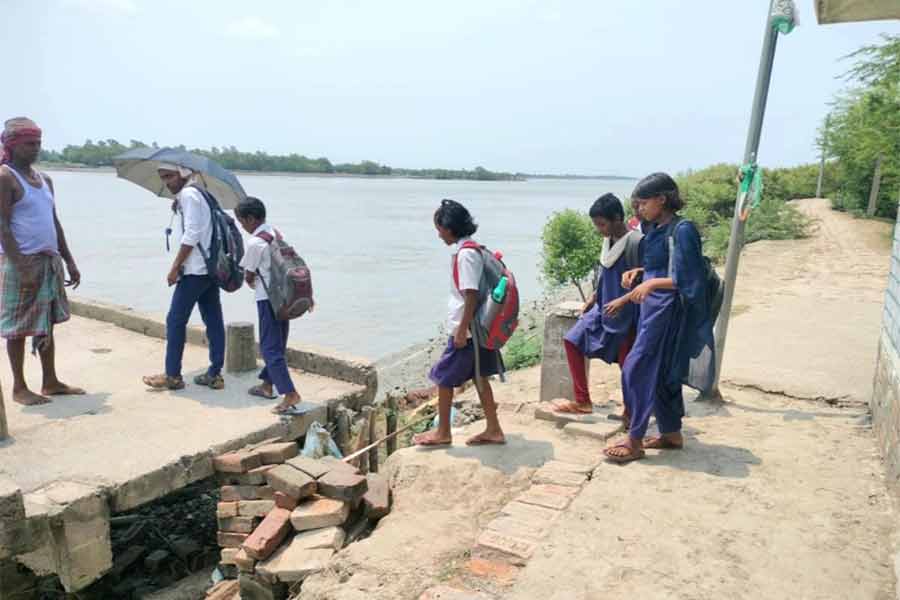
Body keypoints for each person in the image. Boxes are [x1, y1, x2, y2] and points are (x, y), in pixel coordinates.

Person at [603, 173, 714, 463]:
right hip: (651, 310)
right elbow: (661, 267)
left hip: (668, 312)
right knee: (663, 374)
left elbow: (689, 279)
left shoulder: (683, 229)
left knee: (636, 369)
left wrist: (651, 284)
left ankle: (635, 439)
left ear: (661, 199)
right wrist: (639, 274)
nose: (638, 210)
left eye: (642, 203)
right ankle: (671, 434)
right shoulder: (655, 228)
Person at [0, 117, 85, 405]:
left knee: (46, 322)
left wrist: (69, 261)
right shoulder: (5, 177)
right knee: (18, 326)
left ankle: (50, 381)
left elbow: (54, 223)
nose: (35, 149)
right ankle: (19, 387)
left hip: (48, 261)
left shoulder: (45, 179)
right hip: (21, 262)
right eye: (29, 144)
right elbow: (2, 225)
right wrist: (20, 265)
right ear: (12, 146)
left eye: (38, 143)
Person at [413, 199, 506, 447]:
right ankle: (494, 429)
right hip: (478, 329)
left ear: (449, 227)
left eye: (439, 228)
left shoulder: (466, 255)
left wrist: (462, 329)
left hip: (469, 330)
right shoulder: (475, 249)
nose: (438, 234)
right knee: (479, 377)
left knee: (443, 378)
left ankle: (443, 432)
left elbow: (471, 294)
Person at [552, 193, 642, 418]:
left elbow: (645, 279)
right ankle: (582, 401)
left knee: (627, 365)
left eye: (602, 224)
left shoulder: (635, 243)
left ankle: (631, 411)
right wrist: (593, 298)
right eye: (596, 224)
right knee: (572, 340)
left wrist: (624, 300)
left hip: (626, 313)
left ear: (618, 218)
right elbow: (605, 274)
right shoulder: (607, 242)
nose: (598, 229)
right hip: (603, 307)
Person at [142, 165, 225, 391]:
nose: (167, 182)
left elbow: (192, 234)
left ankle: (173, 376)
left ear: (184, 173)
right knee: (213, 320)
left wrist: (176, 266)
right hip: (209, 268)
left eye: (170, 176)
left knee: (175, 321)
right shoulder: (199, 194)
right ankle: (215, 374)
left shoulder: (189, 195)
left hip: (194, 271)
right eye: (163, 178)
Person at [234, 197, 303, 414]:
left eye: (241, 222)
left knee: (269, 348)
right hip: (286, 297)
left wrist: (250, 280)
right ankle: (267, 384)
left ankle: (289, 394)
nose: (241, 226)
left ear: (251, 219)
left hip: (268, 300)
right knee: (278, 344)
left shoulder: (255, 243)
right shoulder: (274, 232)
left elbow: (248, 275)